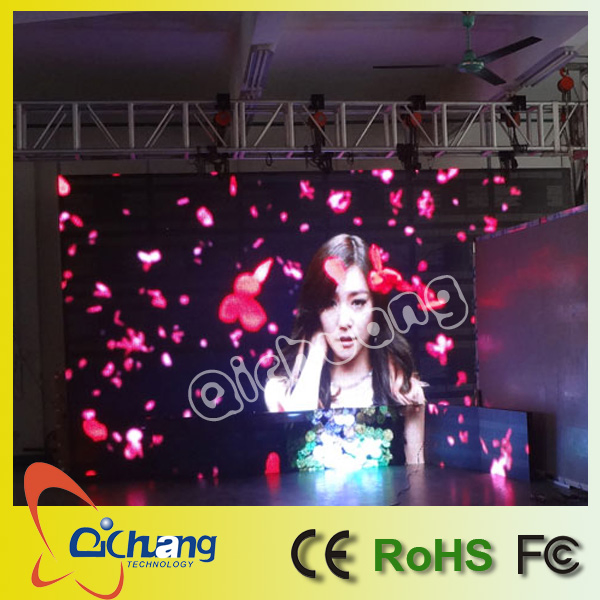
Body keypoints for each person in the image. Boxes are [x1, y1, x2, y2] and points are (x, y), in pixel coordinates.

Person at [264, 233, 426, 464]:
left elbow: (417, 479)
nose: (344, 321)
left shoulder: (404, 391)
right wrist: (316, 351)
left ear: (376, 308)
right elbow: (297, 421)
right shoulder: (281, 389)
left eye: (358, 302)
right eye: (329, 303)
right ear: (316, 310)